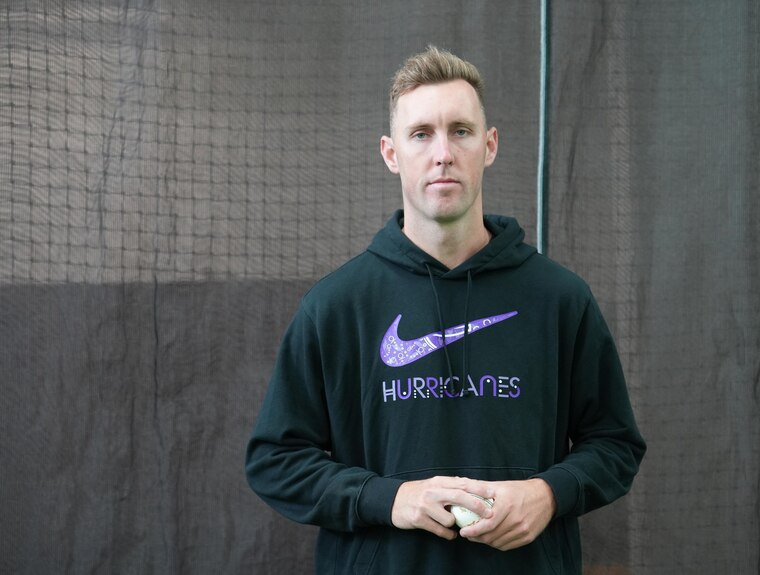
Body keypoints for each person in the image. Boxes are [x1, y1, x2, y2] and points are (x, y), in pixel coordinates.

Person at [246, 45, 646, 574]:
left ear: (490, 145)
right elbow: (275, 461)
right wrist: (386, 499)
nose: (443, 153)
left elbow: (615, 443)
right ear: (391, 154)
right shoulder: (337, 306)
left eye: (461, 130)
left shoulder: (559, 298)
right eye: (421, 134)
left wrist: (548, 494)